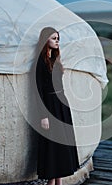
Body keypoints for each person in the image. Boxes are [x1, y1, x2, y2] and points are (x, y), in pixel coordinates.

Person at [35, 27, 80, 185]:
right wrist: (43, 115)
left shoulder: (55, 59)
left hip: (62, 106)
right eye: (53, 38)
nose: (57, 41)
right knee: (53, 147)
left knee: (62, 146)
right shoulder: (39, 63)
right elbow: (37, 91)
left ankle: (59, 182)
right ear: (45, 39)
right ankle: (51, 183)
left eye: (58, 38)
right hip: (50, 107)